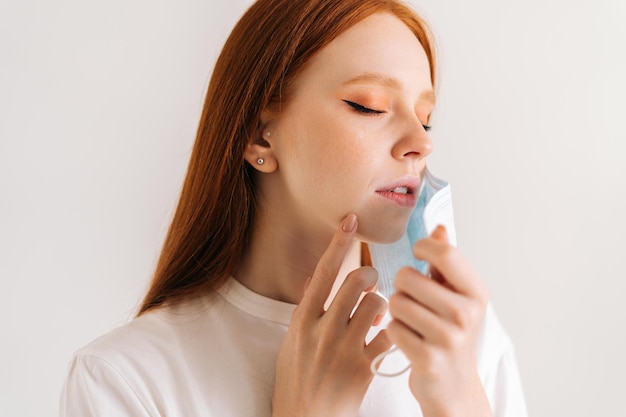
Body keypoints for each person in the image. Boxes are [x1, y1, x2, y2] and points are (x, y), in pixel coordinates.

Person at [60, 0, 527, 416]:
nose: (421, 142)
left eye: (425, 118)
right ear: (260, 135)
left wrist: (460, 400)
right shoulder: (125, 380)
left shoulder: (466, 342)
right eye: (369, 106)